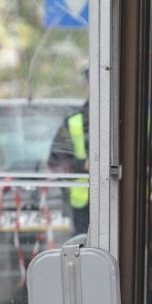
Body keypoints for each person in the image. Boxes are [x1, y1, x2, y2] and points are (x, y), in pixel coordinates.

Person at [48, 70, 90, 235]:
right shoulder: (73, 121)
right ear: (86, 86)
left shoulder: (128, 119)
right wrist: (81, 165)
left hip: (119, 203)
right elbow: (56, 161)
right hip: (81, 204)